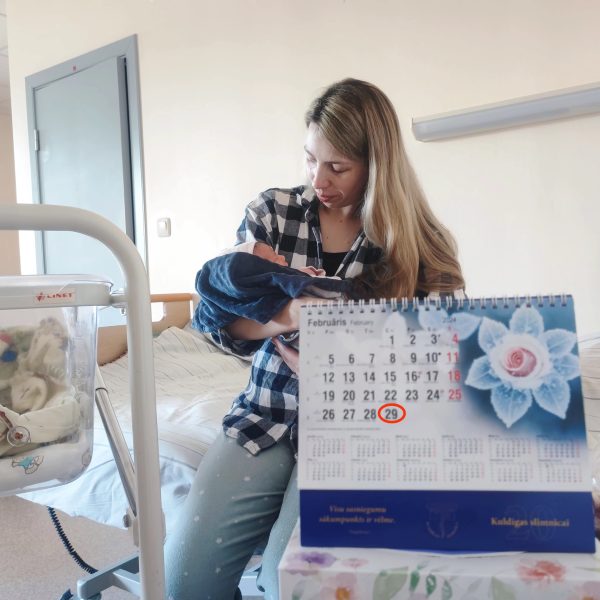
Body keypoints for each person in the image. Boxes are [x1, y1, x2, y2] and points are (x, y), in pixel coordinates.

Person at [164, 78, 465, 600]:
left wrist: (338, 375)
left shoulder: (420, 244)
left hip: (362, 426)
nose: (319, 180)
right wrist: (286, 316)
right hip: (267, 410)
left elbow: (442, 362)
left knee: (289, 584)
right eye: (310, 160)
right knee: (184, 583)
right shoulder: (272, 215)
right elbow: (224, 326)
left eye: (338, 167)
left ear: (376, 165)